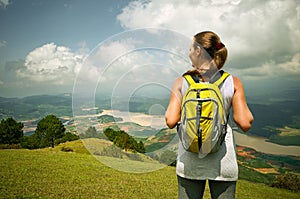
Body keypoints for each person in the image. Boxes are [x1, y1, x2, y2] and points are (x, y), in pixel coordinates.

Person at [165, 31, 254, 199]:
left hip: (189, 161)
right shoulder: (233, 82)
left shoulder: (182, 81)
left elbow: (171, 121)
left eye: (191, 48)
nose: (189, 52)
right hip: (223, 163)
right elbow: (245, 123)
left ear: (198, 51)